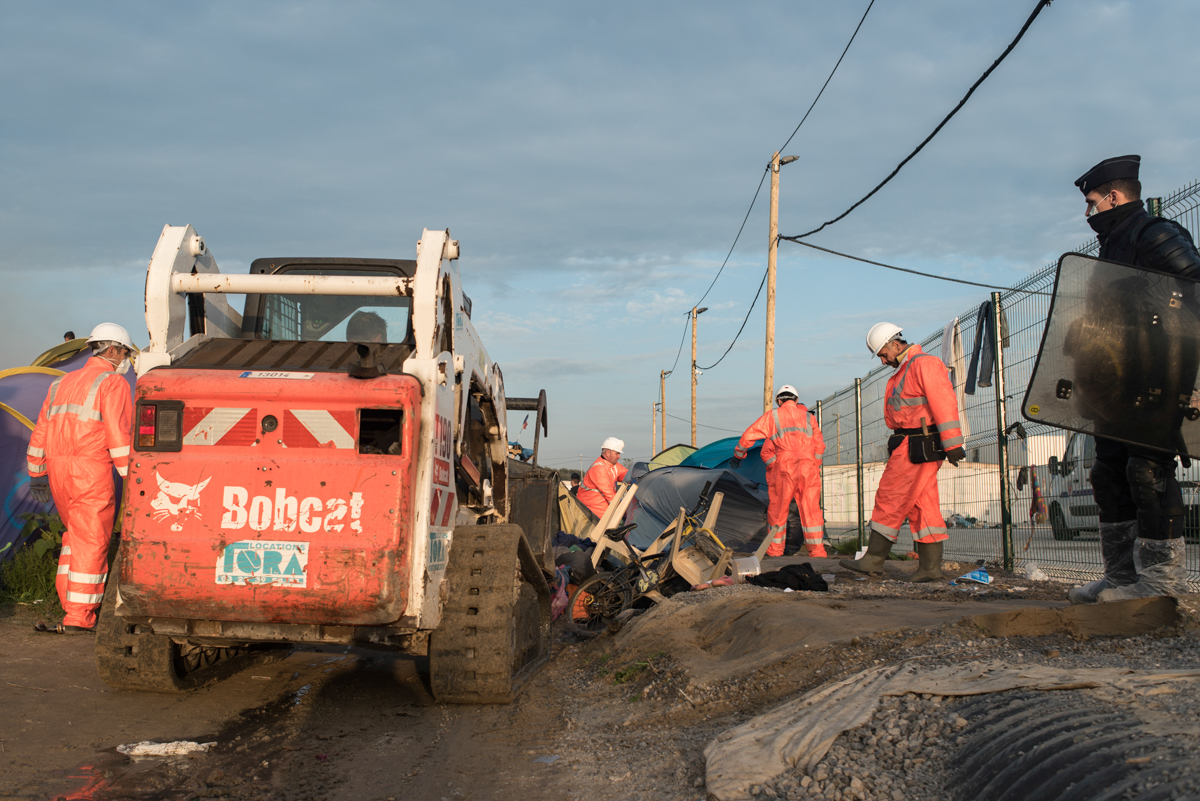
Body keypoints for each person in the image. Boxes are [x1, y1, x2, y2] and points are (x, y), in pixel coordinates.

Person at [1068, 155, 1200, 603]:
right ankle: (1121, 578)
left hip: (1158, 379)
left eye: (1092, 203)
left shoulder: (1155, 234)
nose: (1089, 212)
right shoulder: (1110, 249)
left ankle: (1161, 585)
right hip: (1115, 387)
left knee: (1147, 472)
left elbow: (1194, 290)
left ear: (1114, 196)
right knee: (1108, 473)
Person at [26, 323, 134, 634]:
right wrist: (134, 477)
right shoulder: (112, 383)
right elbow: (118, 435)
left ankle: (70, 606)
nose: (126, 359)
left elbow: (41, 431)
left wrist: (37, 473)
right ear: (111, 349)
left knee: (74, 539)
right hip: (90, 472)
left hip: (59, 474)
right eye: (125, 353)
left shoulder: (60, 383)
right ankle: (79, 617)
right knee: (91, 541)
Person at [841, 324, 965, 582]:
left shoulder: (923, 364)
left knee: (890, 496)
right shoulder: (907, 369)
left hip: (916, 445)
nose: (883, 360)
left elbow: (944, 403)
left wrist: (952, 443)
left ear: (895, 344)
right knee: (923, 506)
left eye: (883, 354)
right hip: (912, 444)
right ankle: (930, 569)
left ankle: (874, 559)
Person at [731, 385, 827, 558]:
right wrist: (814, 465)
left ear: (779, 401)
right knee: (812, 510)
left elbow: (750, 434)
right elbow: (819, 445)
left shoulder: (773, 416)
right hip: (809, 466)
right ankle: (818, 552)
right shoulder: (809, 418)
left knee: (778, 510)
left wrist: (739, 454)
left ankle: (775, 551)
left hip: (785, 465)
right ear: (796, 400)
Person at [578, 437, 628, 519]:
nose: (619, 456)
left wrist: (639, 476)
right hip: (592, 517)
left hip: (602, 515)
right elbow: (610, 496)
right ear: (608, 453)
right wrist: (623, 512)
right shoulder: (598, 469)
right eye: (617, 453)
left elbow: (627, 474)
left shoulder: (613, 466)